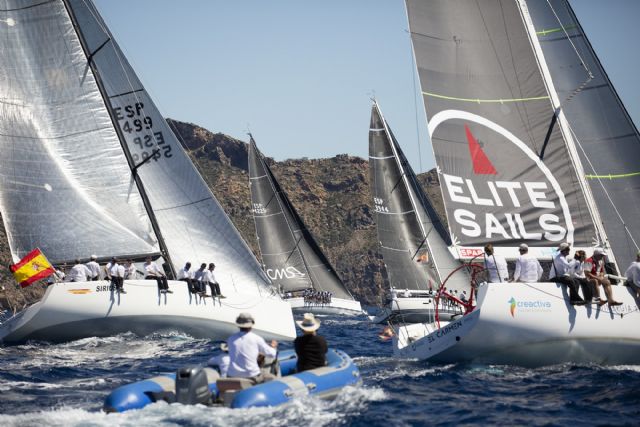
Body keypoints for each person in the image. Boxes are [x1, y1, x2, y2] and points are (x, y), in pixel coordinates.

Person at [226, 313, 278, 384]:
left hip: (231, 376)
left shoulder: (230, 339)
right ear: (251, 325)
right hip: (251, 376)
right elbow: (272, 354)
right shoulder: (256, 338)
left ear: (238, 325)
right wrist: (273, 346)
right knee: (272, 378)